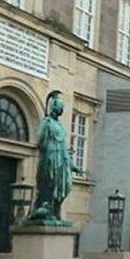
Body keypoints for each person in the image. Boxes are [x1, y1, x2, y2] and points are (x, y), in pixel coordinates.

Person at [28, 90, 81, 224]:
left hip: (61, 158)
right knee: (51, 185)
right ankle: (48, 210)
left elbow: (64, 146)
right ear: (55, 108)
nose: (61, 110)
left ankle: (55, 212)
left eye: (62, 108)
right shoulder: (46, 122)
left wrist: (73, 165)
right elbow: (39, 139)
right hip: (50, 157)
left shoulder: (60, 125)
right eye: (60, 108)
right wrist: (47, 145)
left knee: (66, 186)